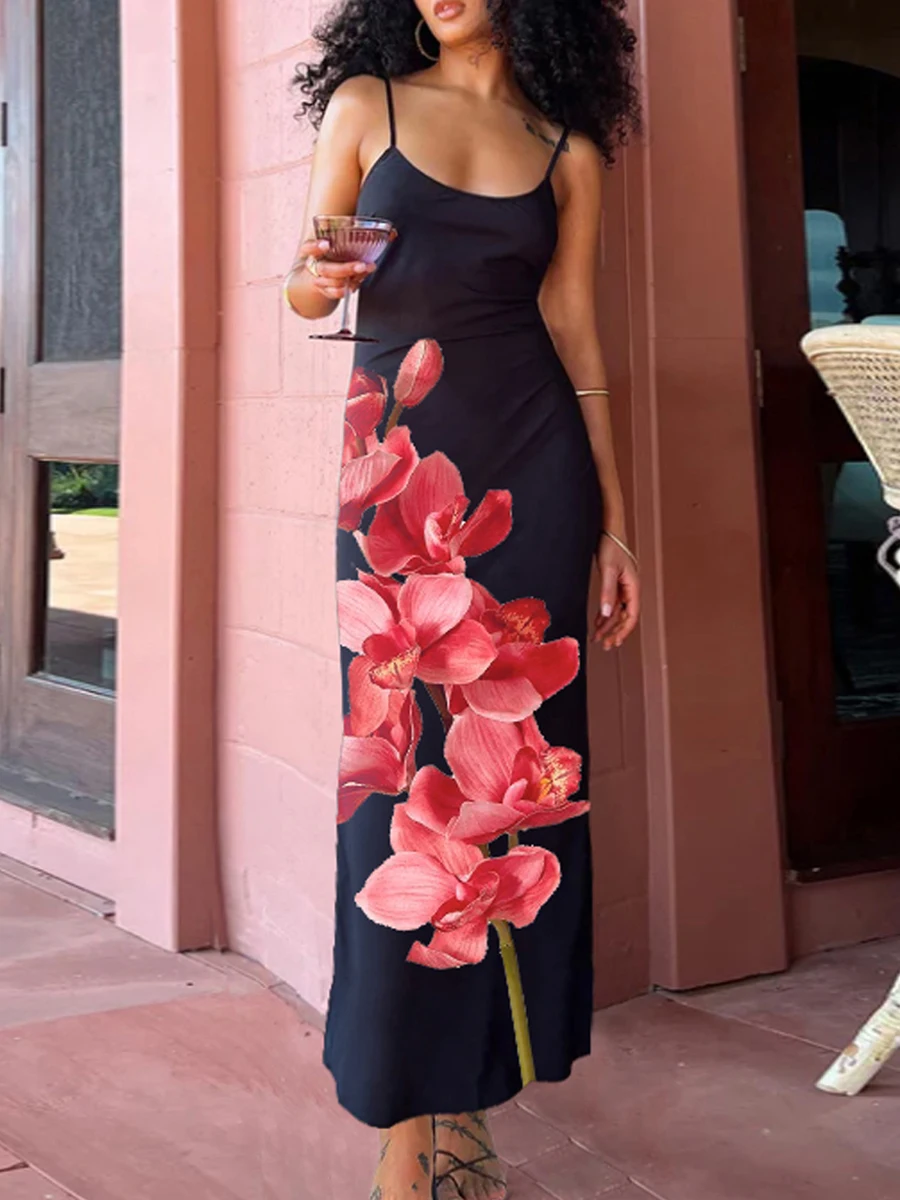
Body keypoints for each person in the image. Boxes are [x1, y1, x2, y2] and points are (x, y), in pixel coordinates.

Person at [286, 2, 641, 1197]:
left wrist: (614, 519)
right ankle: (402, 1117)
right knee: (395, 788)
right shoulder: (367, 107)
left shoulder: (566, 153)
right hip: (395, 476)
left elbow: (575, 331)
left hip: (534, 474)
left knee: (515, 789)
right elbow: (308, 292)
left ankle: (476, 1099)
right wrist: (315, 274)